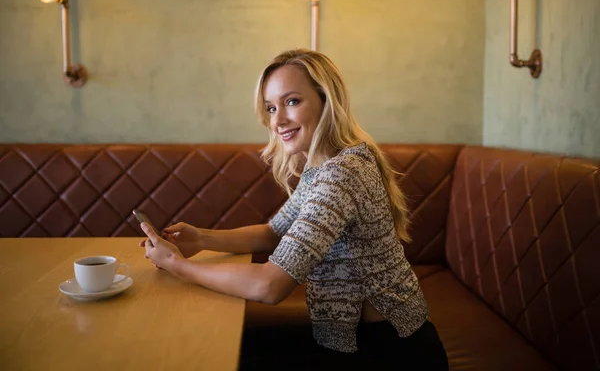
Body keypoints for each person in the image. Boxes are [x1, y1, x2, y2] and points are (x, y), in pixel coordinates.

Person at [139, 49, 449, 370]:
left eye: (291, 102)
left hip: (394, 352)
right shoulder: (323, 166)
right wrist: (201, 239)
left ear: (326, 101)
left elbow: (270, 286)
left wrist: (177, 265)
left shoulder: (342, 172)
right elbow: (273, 232)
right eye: (271, 108)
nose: (277, 121)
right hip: (356, 339)